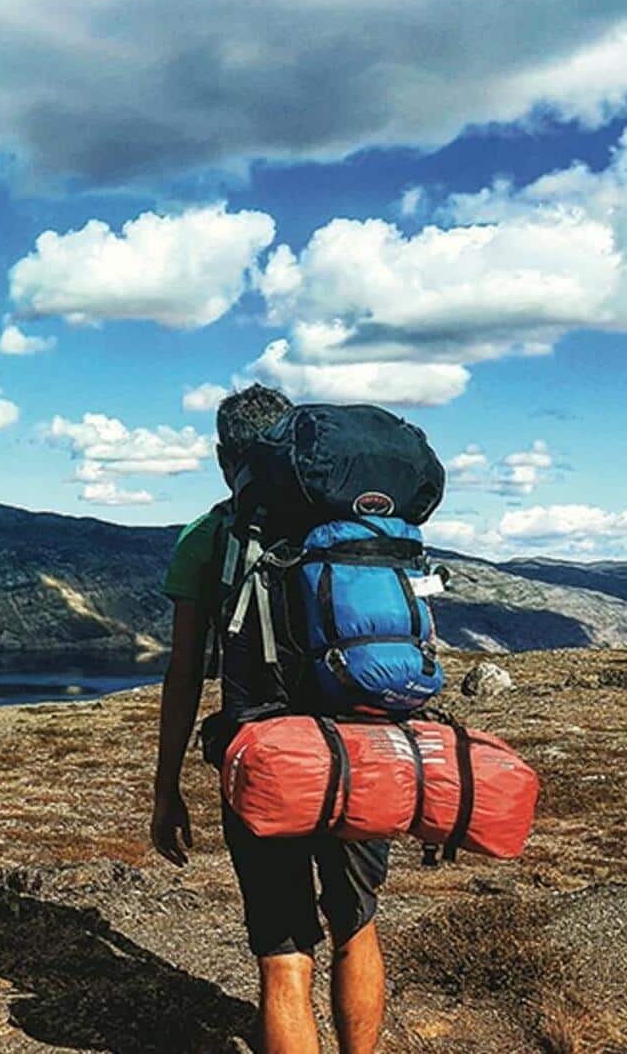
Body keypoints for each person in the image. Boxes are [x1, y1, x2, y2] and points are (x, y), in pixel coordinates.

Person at [149, 384, 389, 1054]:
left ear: (224, 456)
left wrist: (166, 788)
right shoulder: (348, 527)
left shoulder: (207, 536)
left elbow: (185, 672)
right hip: (362, 748)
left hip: (267, 759)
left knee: (284, 952)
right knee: (356, 922)